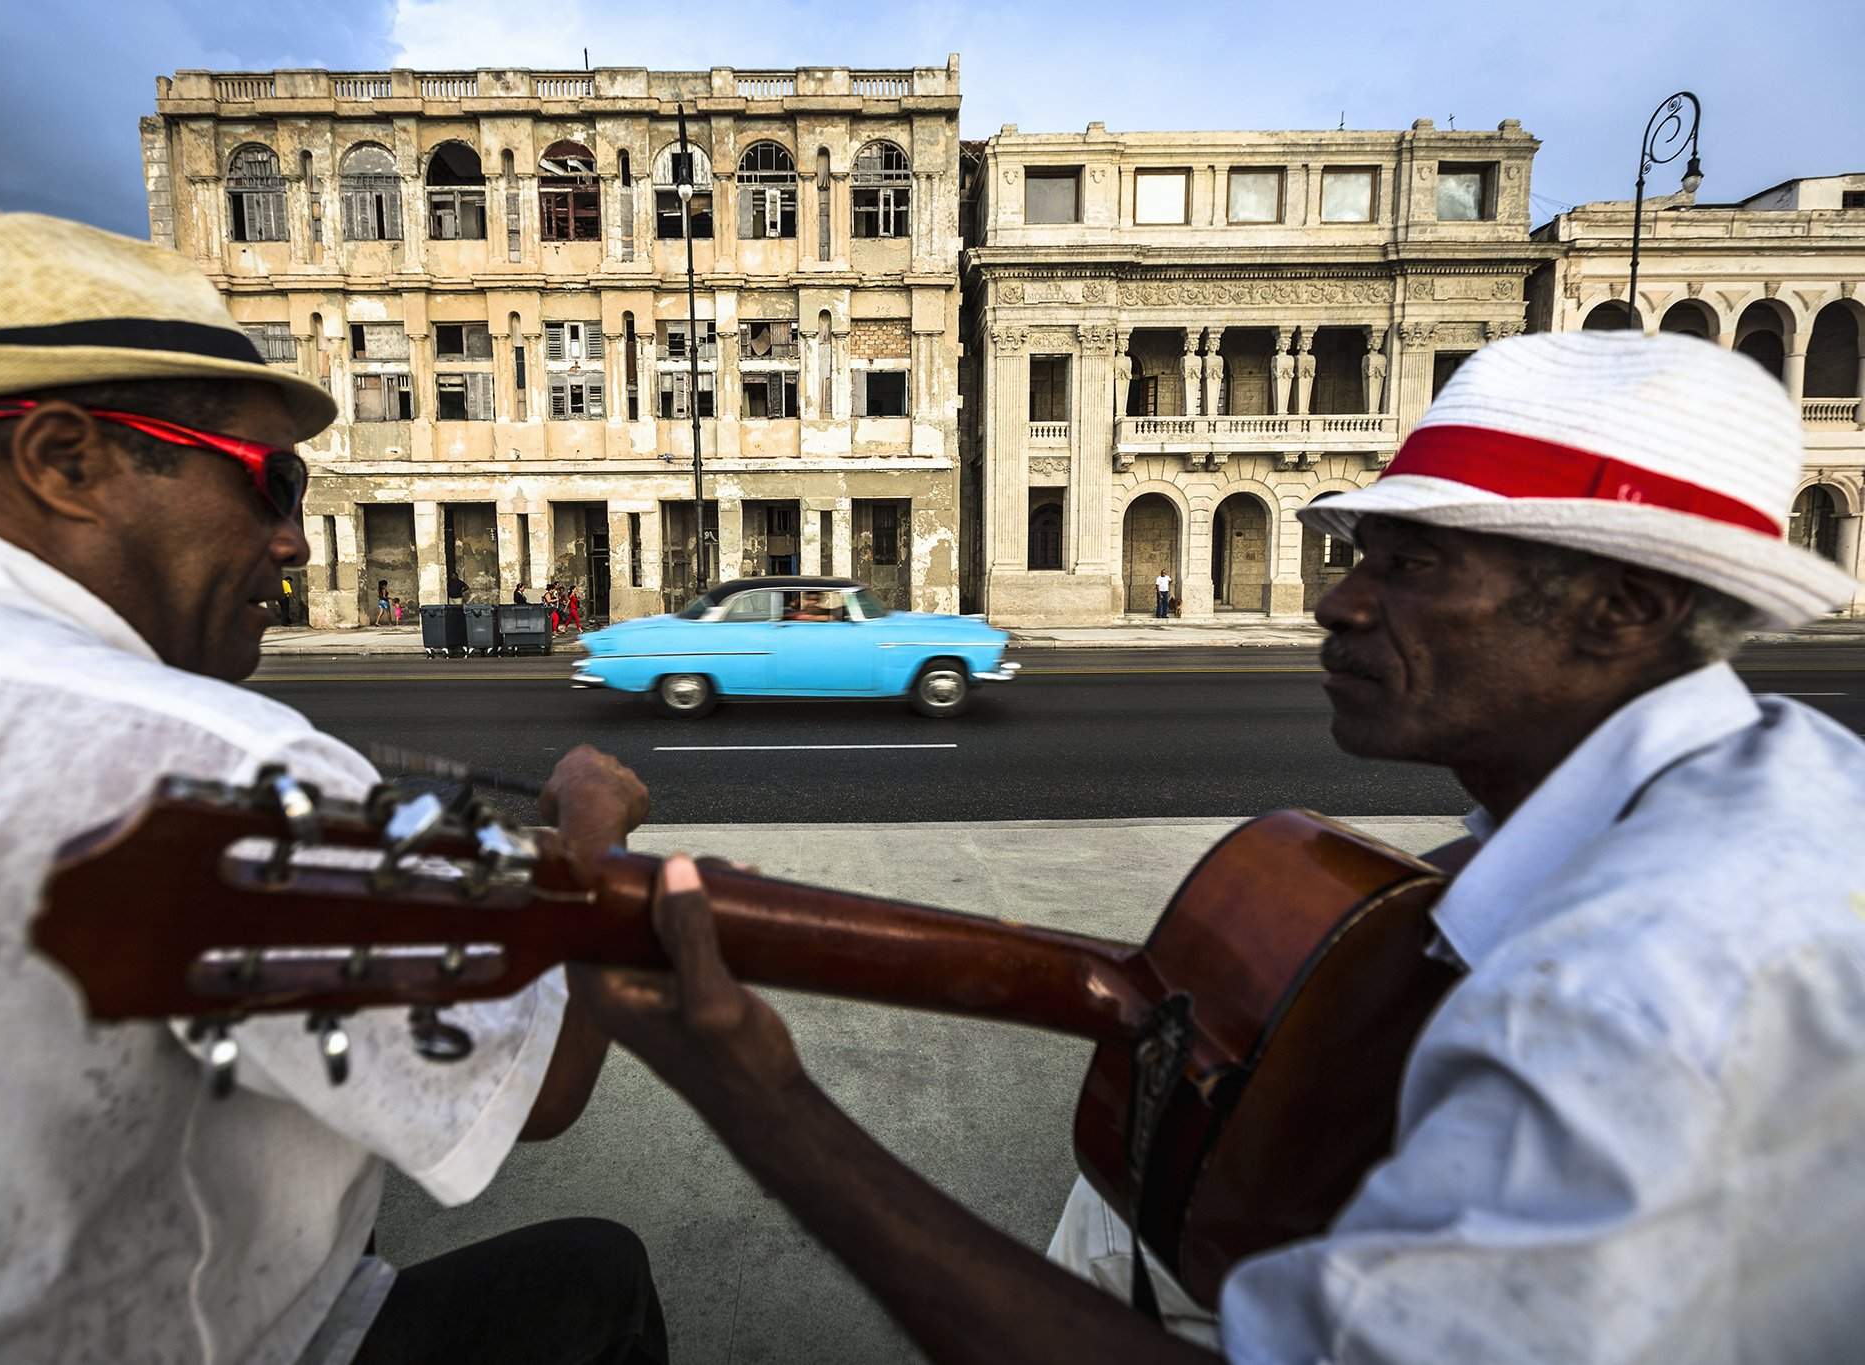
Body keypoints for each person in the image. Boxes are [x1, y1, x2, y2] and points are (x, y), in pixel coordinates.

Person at [570, 332, 1865, 1364]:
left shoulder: (1631, 997)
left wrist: (762, 1102)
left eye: (1412, 564)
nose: (1335, 596)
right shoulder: (1771, 770)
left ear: (1624, 606)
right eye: (1360, 551)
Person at [0, 213, 666, 1365]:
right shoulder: (210, 761)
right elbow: (534, 1088)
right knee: (589, 1279)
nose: (296, 548)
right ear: (65, 459)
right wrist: (591, 840)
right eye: (270, 486)